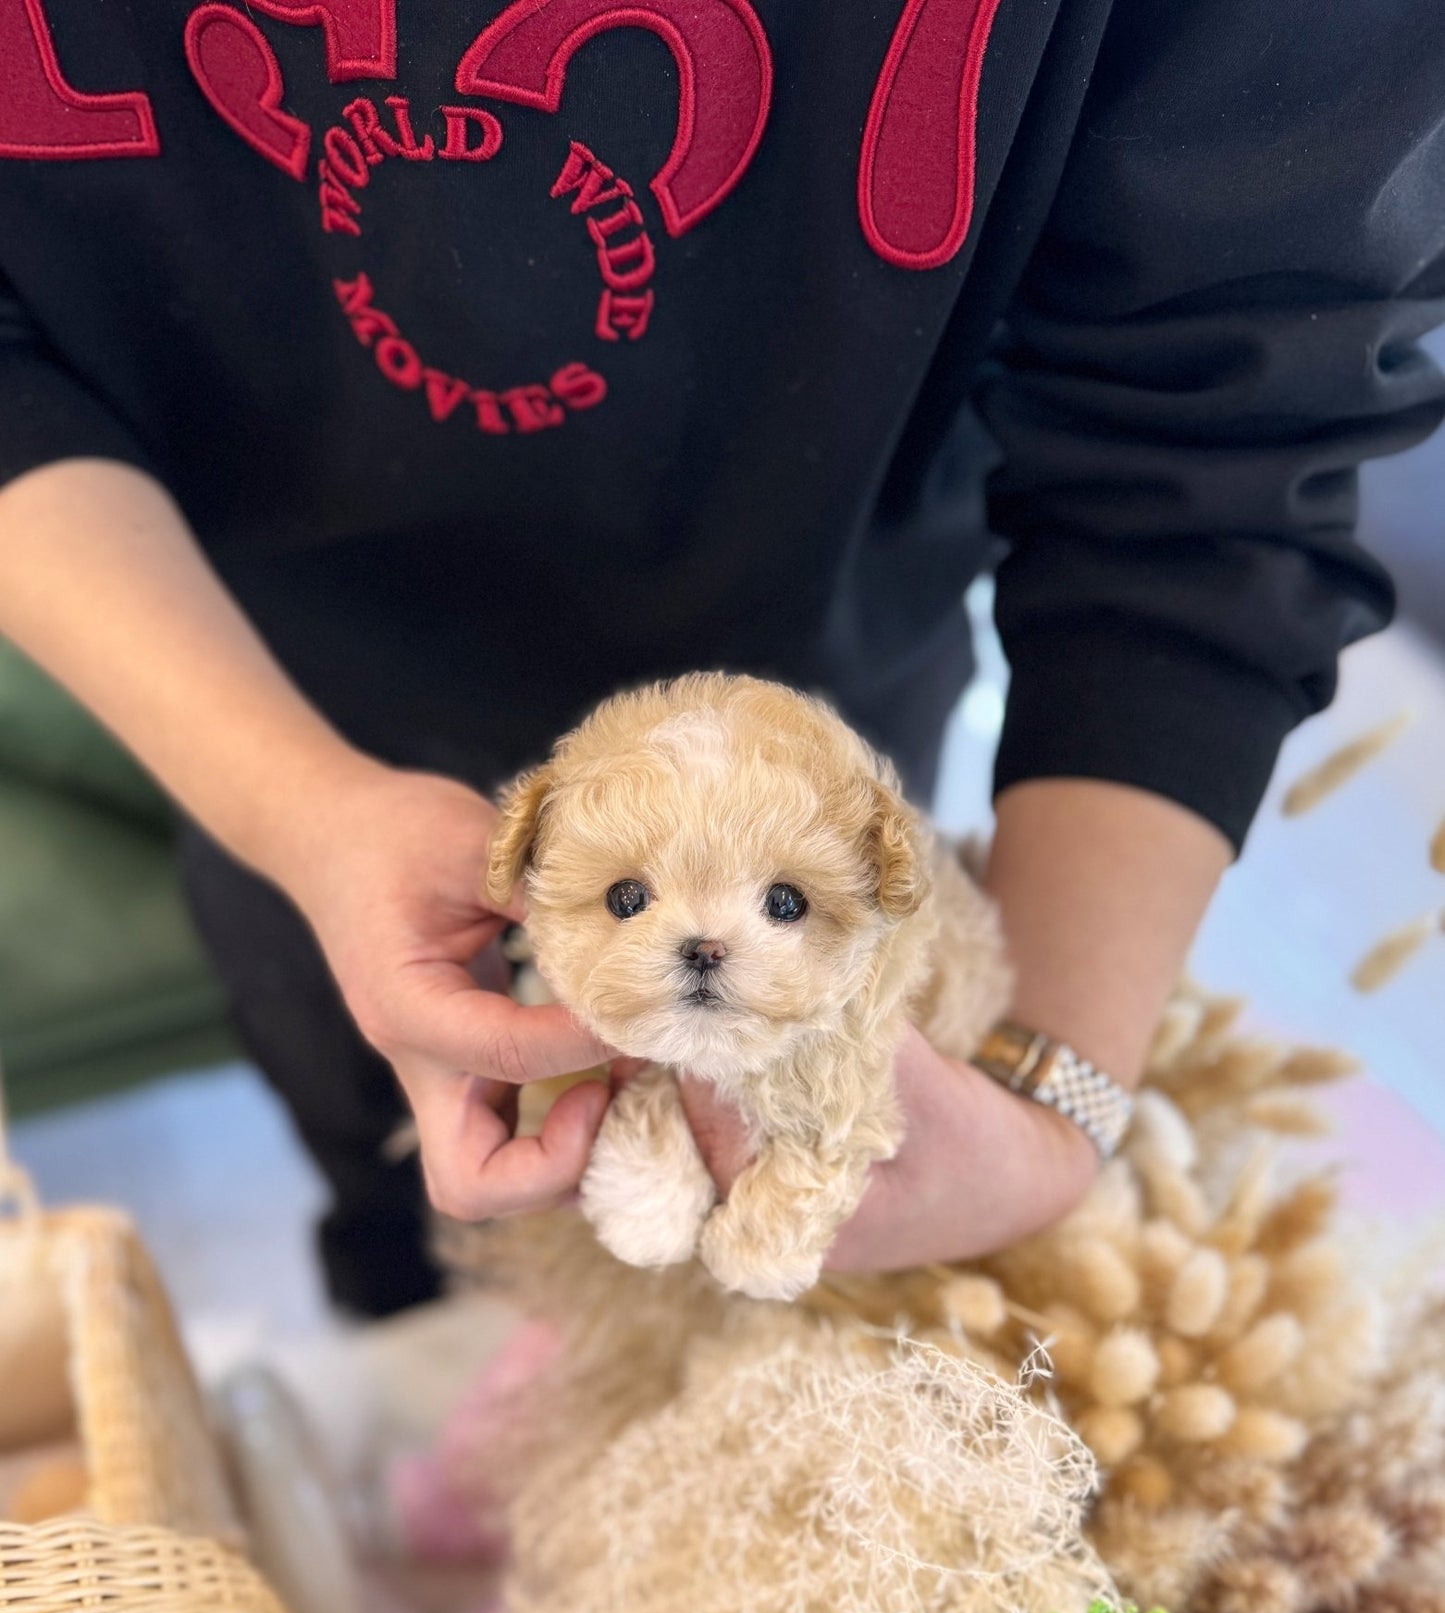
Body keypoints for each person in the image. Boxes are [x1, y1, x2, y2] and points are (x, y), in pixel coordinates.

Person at [1, 0, 1442, 1315]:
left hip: (838, 645)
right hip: (263, 693)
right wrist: (290, 804)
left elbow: (1224, 415)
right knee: (404, 1223)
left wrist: (1048, 1094)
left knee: (804, 1281)